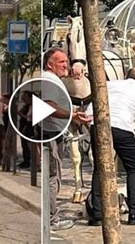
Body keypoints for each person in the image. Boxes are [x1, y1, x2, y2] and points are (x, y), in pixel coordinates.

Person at [86, 68, 135, 226]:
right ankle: (134, 212)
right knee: (132, 169)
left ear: (125, 76)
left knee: (99, 168)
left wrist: (91, 122)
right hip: (123, 129)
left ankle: (96, 214)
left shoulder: (109, 85)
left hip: (99, 125)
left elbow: (92, 105)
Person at [42, 47, 92, 231]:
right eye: (61, 61)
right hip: (50, 135)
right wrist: (73, 116)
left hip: (53, 133)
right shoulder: (50, 80)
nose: (66, 65)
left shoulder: (53, 80)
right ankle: (51, 219)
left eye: (66, 61)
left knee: (53, 176)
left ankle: (50, 216)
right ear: (50, 64)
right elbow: (48, 106)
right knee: (53, 177)